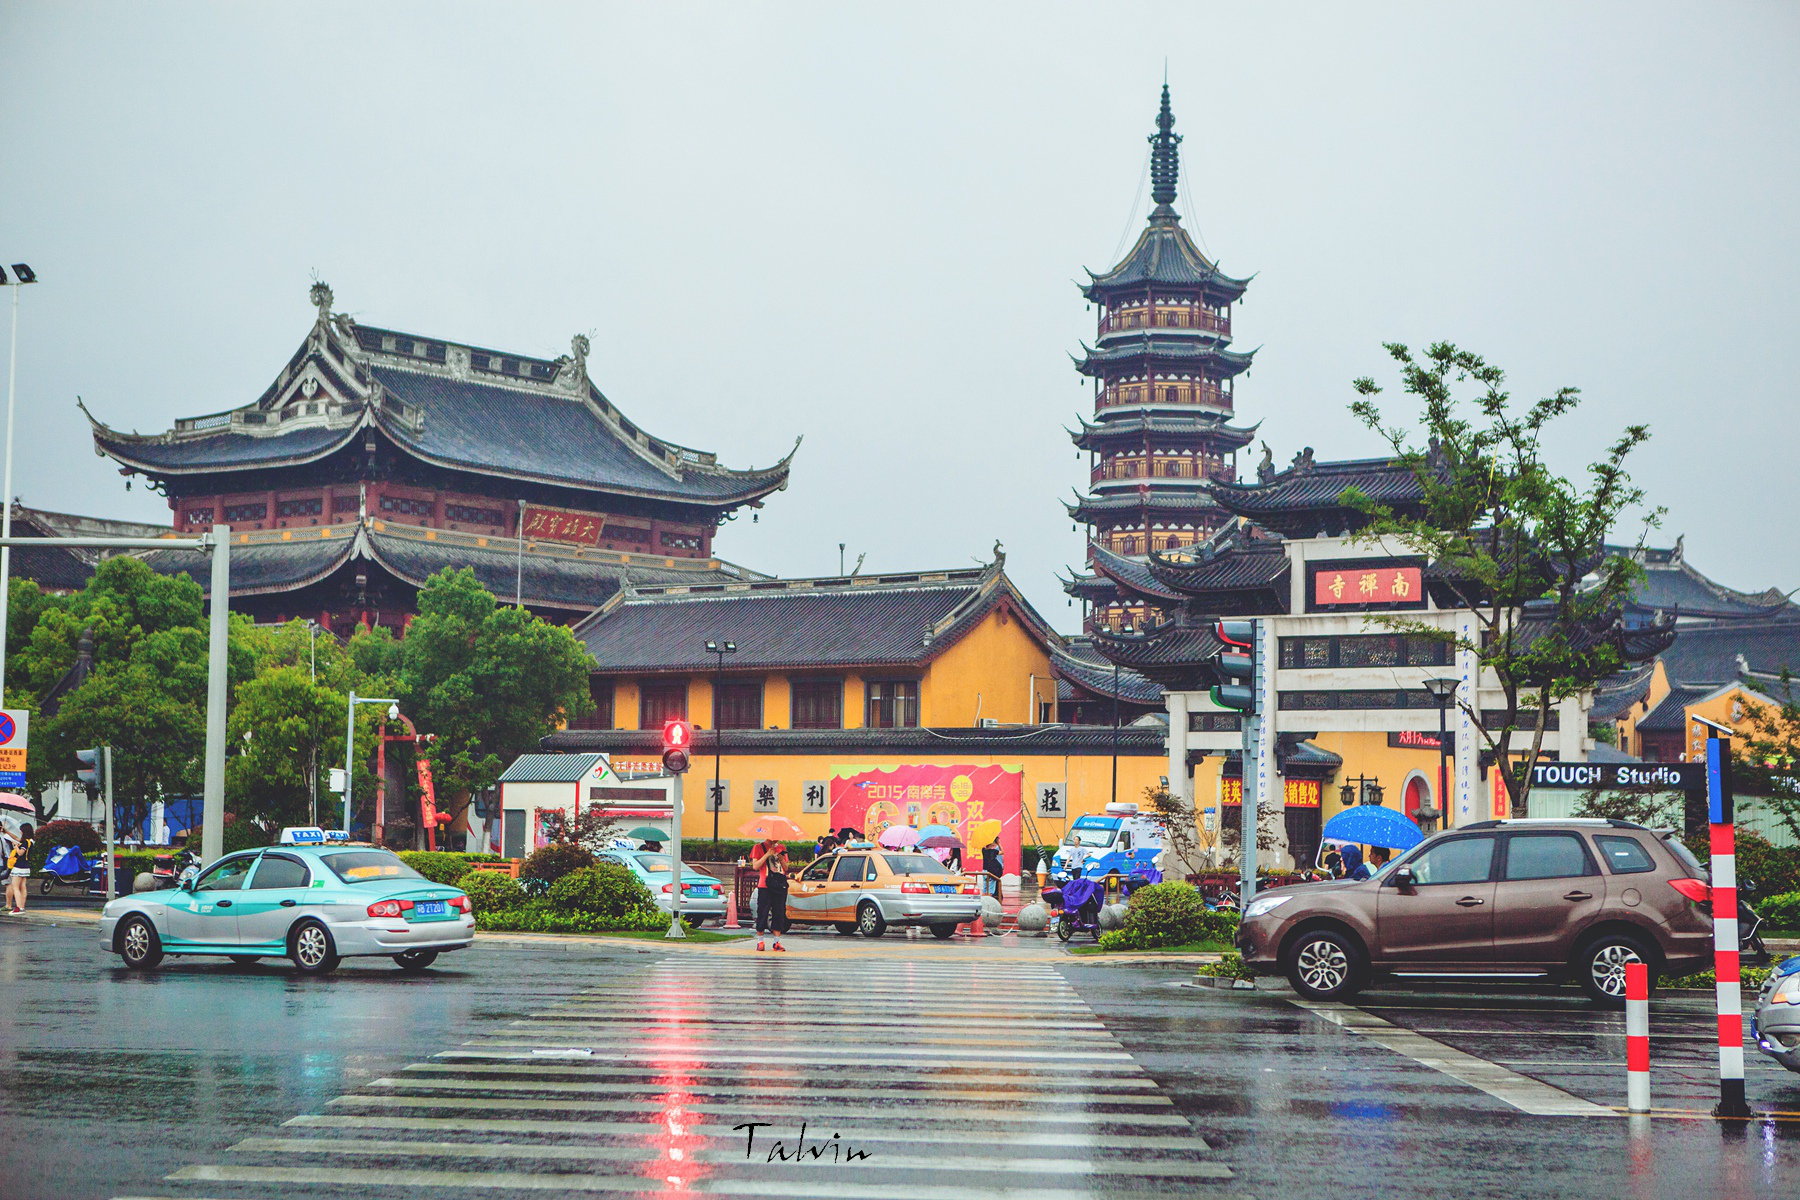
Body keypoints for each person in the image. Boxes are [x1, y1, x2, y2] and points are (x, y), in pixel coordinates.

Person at [750, 836, 788, 951]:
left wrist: (781, 858)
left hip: (779, 885)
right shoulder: (758, 847)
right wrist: (768, 854)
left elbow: (786, 868)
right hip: (765, 886)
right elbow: (755, 866)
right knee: (763, 912)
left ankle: (777, 942)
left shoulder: (781, 847)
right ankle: (760, 941)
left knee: (779, 913)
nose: (776, 839)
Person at [6, 822, 33, 915]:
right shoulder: (30, 842)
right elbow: (16, 838)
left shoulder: (25, 842)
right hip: (26, 866)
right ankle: (22, 906)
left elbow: (21, 853)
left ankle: (18, 907)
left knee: (15, 887)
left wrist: (16, 847)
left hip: (19, 866)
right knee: (23, 887)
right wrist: (7, 831)